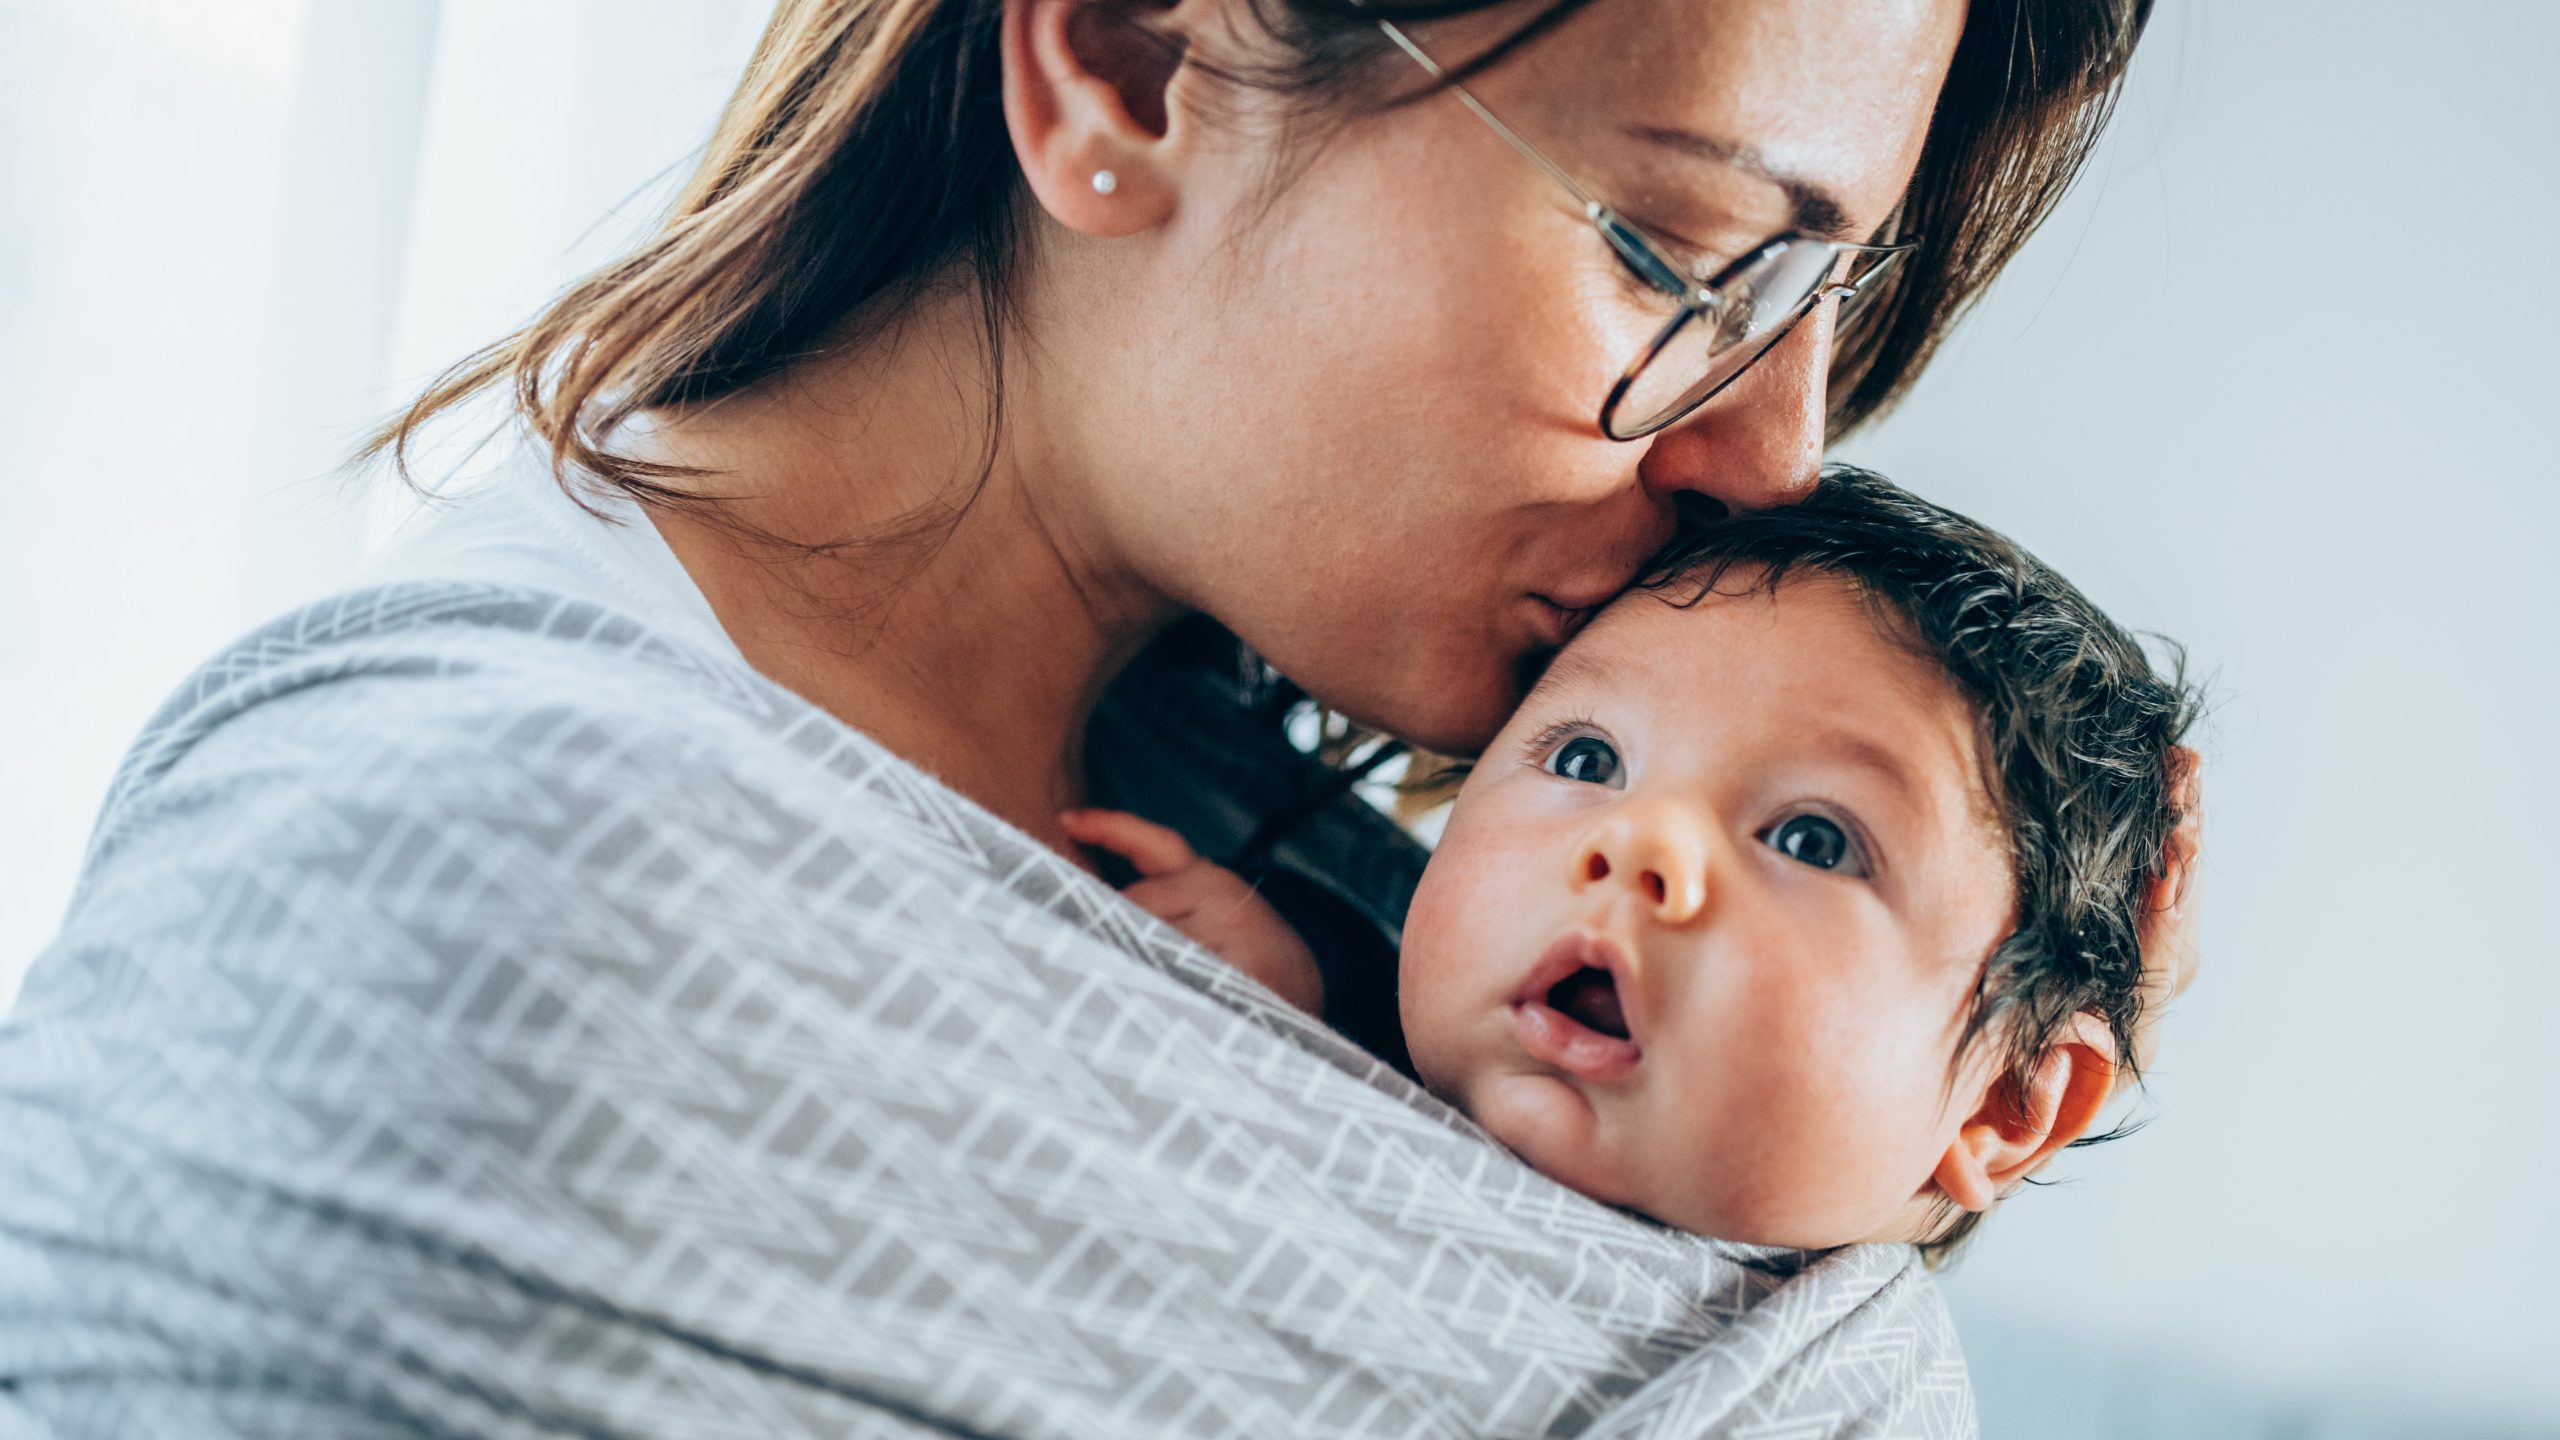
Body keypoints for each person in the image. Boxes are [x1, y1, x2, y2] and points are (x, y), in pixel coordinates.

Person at [0, 1, 2200, 1435]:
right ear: (1136, 66)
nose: (1770, 459)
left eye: (1811, 304)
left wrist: (1973, 1039)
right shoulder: (464, 868)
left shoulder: (1354, 910)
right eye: (1670, 254)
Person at [1065, 467, 2199, 1266]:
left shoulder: (1816, 1357)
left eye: (1812, 839)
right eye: (1585, 755)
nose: (1637, 841)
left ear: (2005, 1106)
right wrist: (1306, 999)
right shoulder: (1316, 998)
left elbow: (1873, 1194)